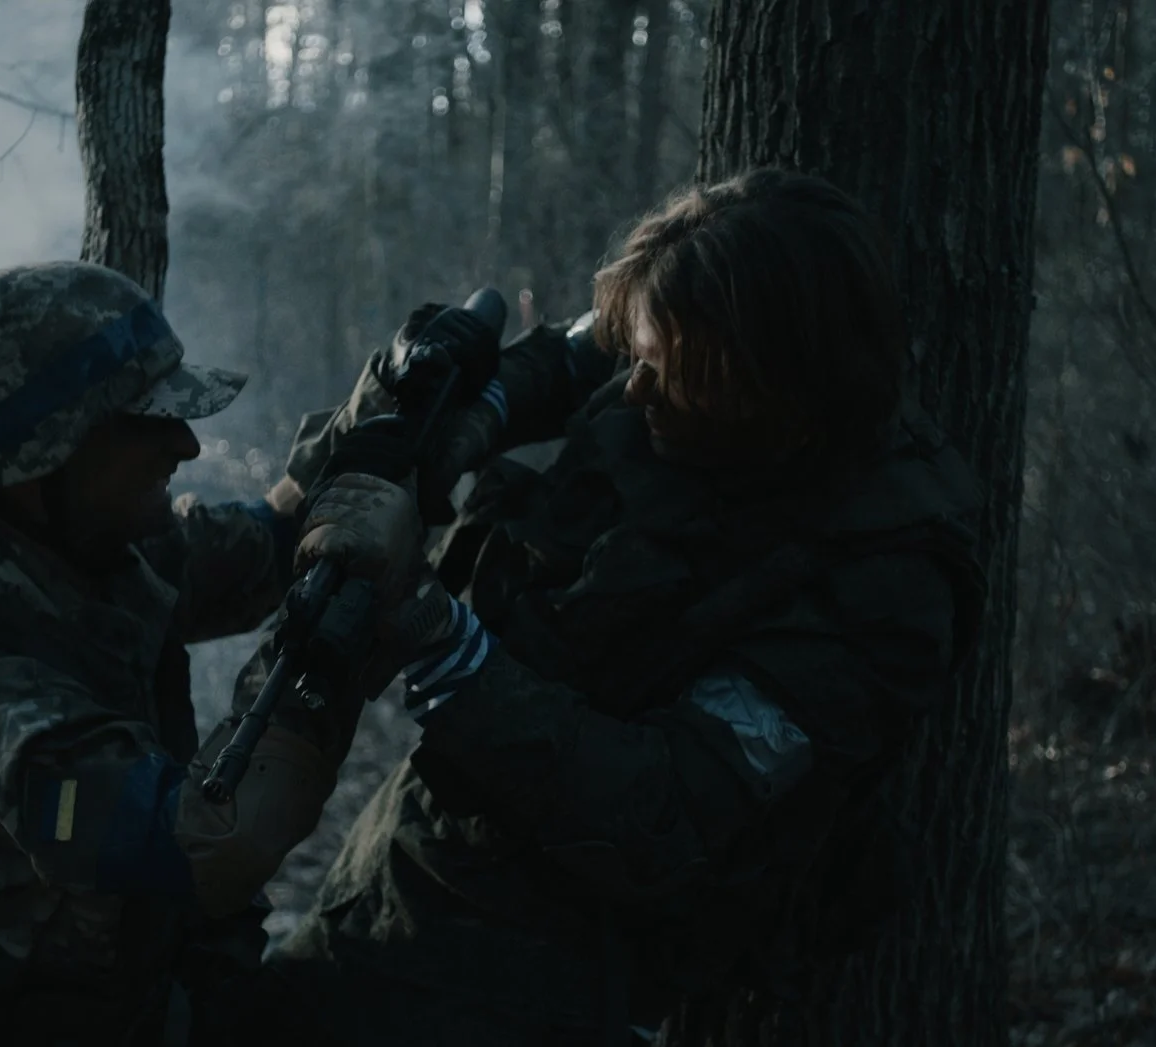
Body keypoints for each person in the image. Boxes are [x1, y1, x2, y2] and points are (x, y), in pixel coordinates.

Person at [260, 169, 988, 1044]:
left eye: (662, 376)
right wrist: (483, 408)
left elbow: (663, 813)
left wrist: (430, 626)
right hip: (415, 869)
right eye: (639, 360)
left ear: (770, 395)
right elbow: (588, 350)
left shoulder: (882, 591)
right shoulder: (698, 353)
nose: (632, 391)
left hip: (557, 978)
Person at [0, 260, 412, 1046]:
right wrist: (333, 632)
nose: (186, 443)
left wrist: (386, 415)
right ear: (40, 461)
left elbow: (267, 544)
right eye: (147, 421)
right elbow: (217, 841)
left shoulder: (95, 552)